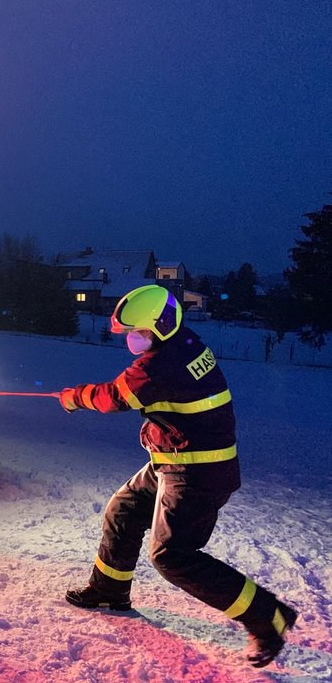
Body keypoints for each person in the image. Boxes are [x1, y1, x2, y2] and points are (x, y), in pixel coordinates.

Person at [58, 285, 296, 668]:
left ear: (160, 327)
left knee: (173, 556)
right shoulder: (184, 343)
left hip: (197, 471)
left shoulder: (159, 366)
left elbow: (113, 398)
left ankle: (269, 618)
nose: (132, 340)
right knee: (124, 510)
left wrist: (73, 397)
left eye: (137, 332)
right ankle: (109, 591)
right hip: (176, 458)